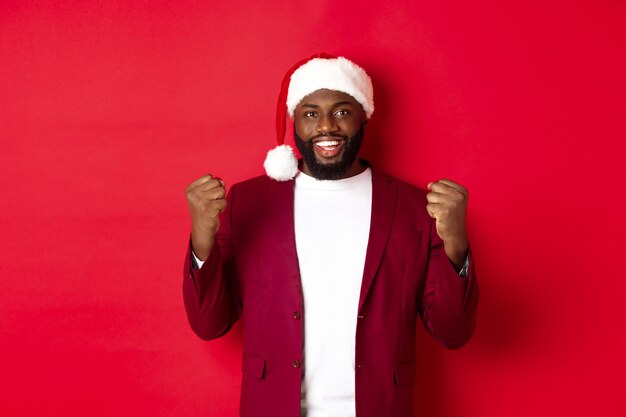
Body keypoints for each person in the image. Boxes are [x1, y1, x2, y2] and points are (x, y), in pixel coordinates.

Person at [183, 53, 479, 417]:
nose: (327, 126)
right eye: (310, 113)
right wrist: (202, 238)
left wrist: (455, 242)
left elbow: (453, 332)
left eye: (342, 111)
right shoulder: (247, 202)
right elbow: (210, 324)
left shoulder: (415, 207)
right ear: (294, 121)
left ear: (363, 117)